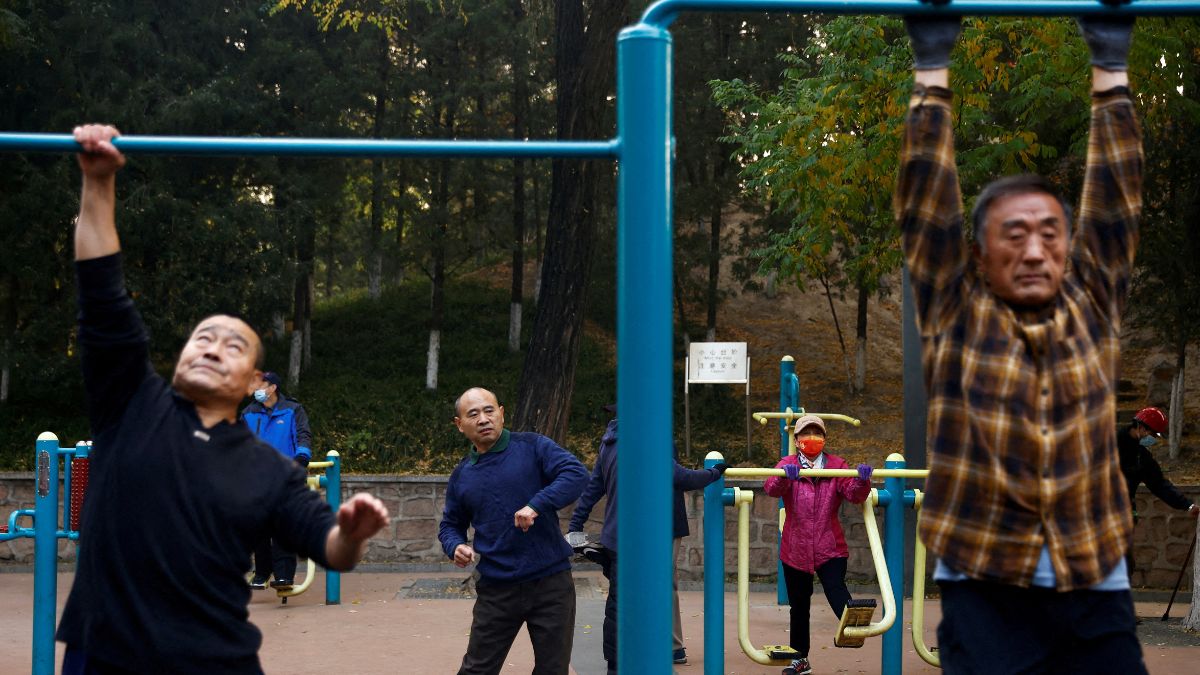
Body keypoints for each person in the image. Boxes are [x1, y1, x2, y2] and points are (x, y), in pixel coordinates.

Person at [58, 125, 390, 674]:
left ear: (254, 380)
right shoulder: (131, 404)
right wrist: (98, 182)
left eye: (232, 345)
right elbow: (100, 288)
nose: (213, 348)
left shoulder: (268, 469)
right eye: (202, 338)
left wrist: (352, 534)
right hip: (104, 654)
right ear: (182, 357)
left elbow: (328, 546)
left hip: (215, 660)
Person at [898, 14, 1149, 674]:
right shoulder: (955, 309)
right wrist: (932, 61)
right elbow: (926, 197)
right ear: (980, 254)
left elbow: (1115, 196)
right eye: (1014, 235)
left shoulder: (1094, 302)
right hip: (986, 582)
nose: (1034, 250)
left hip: (1092, 574)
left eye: (1048, 234)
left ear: (1069, 249)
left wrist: (1111, 59)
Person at [438, 387, 589, 675]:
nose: (483, 419)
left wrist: (536, 505)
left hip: (550, 582)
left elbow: (576, 474)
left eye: (489, 410)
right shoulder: (462, 475)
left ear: (502, 414)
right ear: (460, 425)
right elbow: (450, 525)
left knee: (552, 669)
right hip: (497, 587)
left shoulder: (532, 446)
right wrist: (455, 545)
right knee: (477, 670)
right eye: (473, 414)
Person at [565, 410, 727, 674]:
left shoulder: (609, 443)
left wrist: (575, 525)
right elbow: (681, 477)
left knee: (619, 603)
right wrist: (714, 473)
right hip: (648, 537)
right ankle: (657, 653)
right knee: (655, 594)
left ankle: (620, 663)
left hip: (619, 539)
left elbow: (595, 486)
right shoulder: (647, 440)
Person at [762, 415, 873, 675]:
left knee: (835, 586)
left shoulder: (836, 465)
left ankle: (851, 627)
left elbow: (854, 494)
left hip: (829, 544)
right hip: (795, 548)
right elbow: (771, 489)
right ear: (797, 439)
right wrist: (783, 478)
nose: (811, 439)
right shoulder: (787, 464)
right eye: (806, 434)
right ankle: (799, 659)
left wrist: (863, 481)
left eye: (817, 434)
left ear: (824, 439)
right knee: (799, 607)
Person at [242, 370, 314, 590]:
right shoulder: (249, 412)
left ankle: (284, 576)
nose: (255, 390)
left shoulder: (293, 410)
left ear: (272, 387)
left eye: (260, 385)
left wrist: (302, 457)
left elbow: (303, 435)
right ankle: (262, 571)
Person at [1118, 406, 1200, 576]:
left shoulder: (1142, 457)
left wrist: (1187, 505)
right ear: (1141, 427)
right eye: (1152, 434)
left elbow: (1159, 485)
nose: (1152, 439)